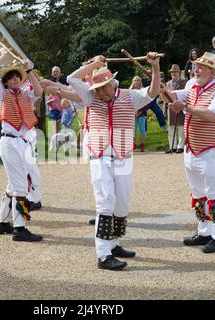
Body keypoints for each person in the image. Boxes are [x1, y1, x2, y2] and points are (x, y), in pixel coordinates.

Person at [67, 52, 161, 271]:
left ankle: (115, 243)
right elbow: (71, 79)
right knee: (105, 201)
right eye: (97, 89)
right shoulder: (91, 98)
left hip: (123, 156)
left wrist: (155, 67)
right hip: (99, 156)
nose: (101, 93)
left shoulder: (130, 96)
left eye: (104, 87)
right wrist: (92, 66)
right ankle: (103, 254)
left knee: (122, 203)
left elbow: (154, 91)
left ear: (113, 84)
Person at [162, 52, 215, 254]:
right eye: (196, 66)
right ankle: (204, 231)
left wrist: (186, 108)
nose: (196, 69)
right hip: (192, 148)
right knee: (198, 193)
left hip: (210, 148)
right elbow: (177, 97)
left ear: (212, 71)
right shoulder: (192, 84)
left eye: (201, 66)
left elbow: (212, 114)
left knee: (214, 193)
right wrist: (163, 89)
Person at [0, 48, 43, 242]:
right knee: (21, 187)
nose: (15, 79)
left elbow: (39, 90)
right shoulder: (1, 94)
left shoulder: (25, 94)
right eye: (11, 77)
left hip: (24, 143)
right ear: (5, 82)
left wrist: (29, 70)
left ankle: (2, 223)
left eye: (17, 76)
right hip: (10, 141)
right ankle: (20, 228)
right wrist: (3, 53)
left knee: (15, 185)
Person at [164, 64, 186, 154]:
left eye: (176, 72)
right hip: (170, 108)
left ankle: (180, 146)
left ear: (179, 73)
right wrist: (164, 110)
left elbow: (185, 95)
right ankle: (172, 146)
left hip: (180, 107)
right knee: (171, 128)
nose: (174, 73)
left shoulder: (184, 83)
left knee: (181, 128)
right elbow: (165, 97)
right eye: (173, 72)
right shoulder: (168, 83)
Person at [130, 76, 147, 152]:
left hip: (142, 112)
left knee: (142, 129)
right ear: (132, 82)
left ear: (140, 82)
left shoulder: (143, 90)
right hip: (132, 113)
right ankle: (133, 144)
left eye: (137, 80)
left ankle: (142, 144)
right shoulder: (130, 91)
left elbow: (146, 102)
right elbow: (128, 102)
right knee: (133, 130)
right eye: (135, 80)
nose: (136, 82)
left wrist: (140, 110)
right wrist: (134, 110)